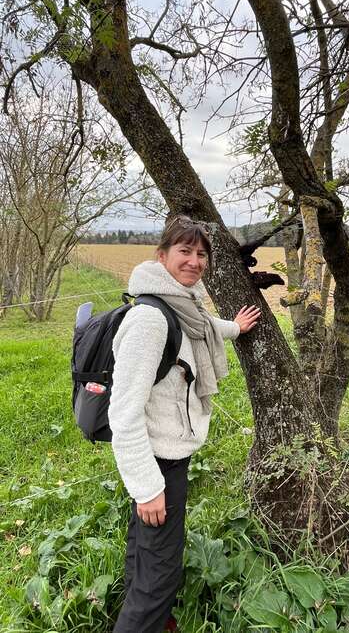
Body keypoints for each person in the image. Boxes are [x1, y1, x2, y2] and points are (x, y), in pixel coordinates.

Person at [109, 215, 261, 633]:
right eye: (185, 251)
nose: (195, 261)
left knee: (144, 551)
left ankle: (149, 619)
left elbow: (202, 329)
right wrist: (147, 487)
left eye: (200, 254)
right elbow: (122, 412)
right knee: (162, 572)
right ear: (162, 256)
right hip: (156, 462)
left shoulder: (179, 304)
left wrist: (237, 327)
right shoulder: (150, 320)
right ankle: (143, 620)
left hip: (164, 455)